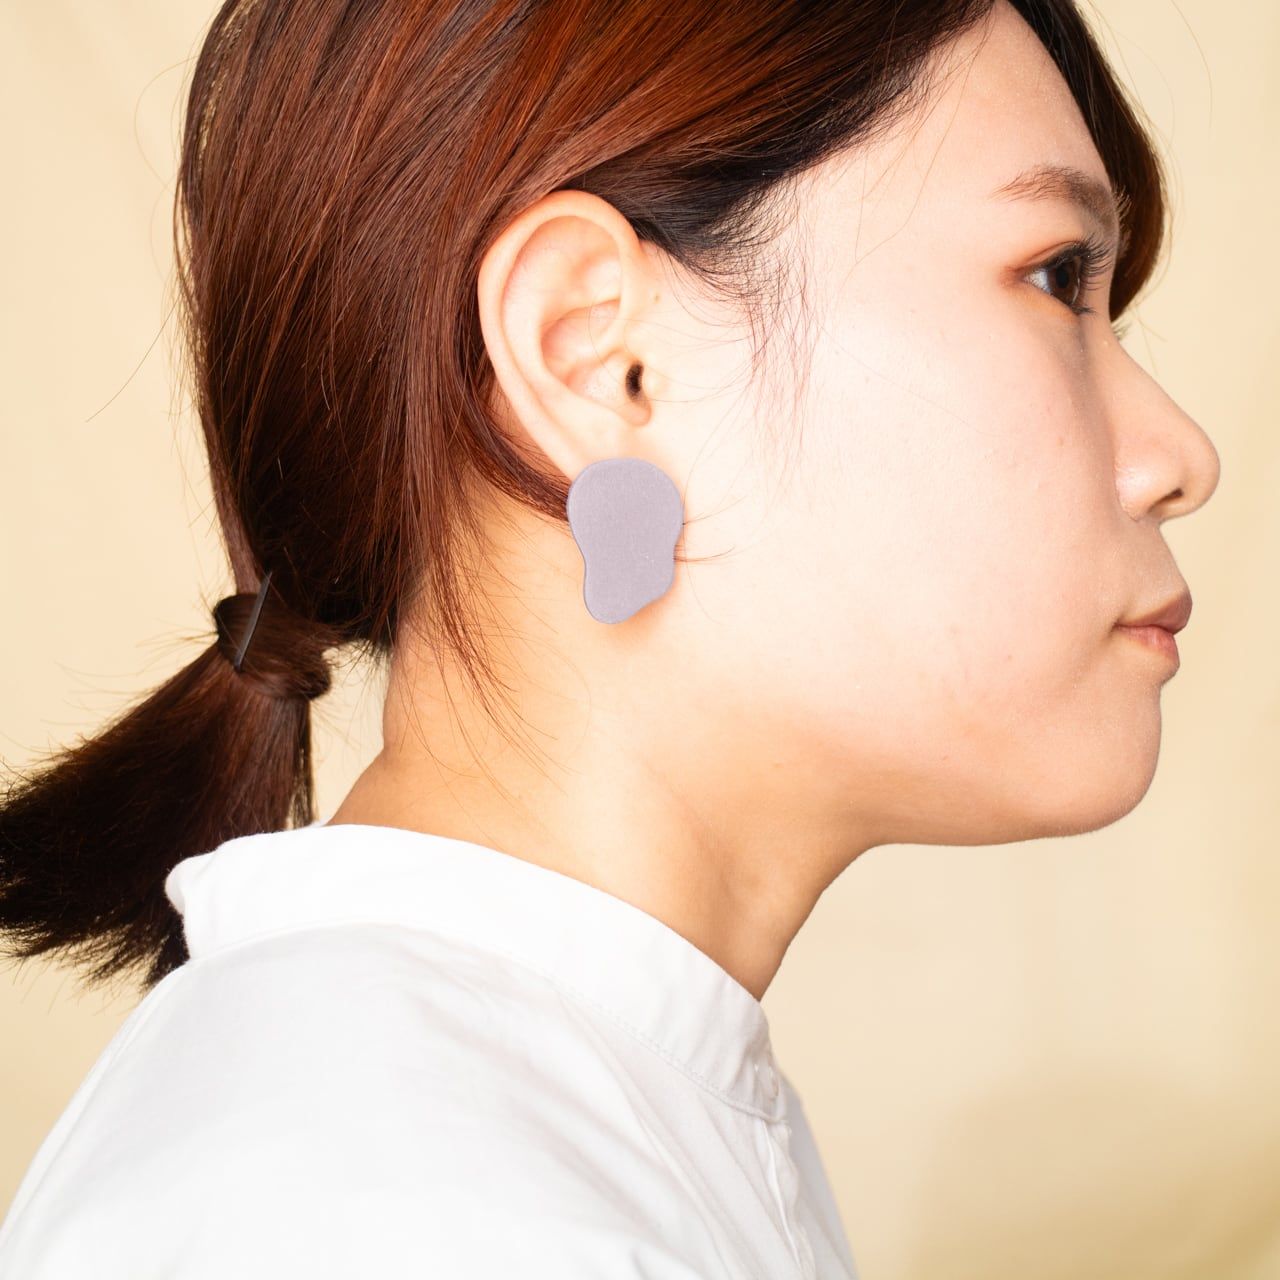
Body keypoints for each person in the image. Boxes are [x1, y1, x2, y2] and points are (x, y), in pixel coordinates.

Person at [0, 0, 1219, 1275]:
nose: (1179, 457)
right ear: (599, 357)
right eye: (1054, 277)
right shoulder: (394, 1212)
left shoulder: (515, 1117)